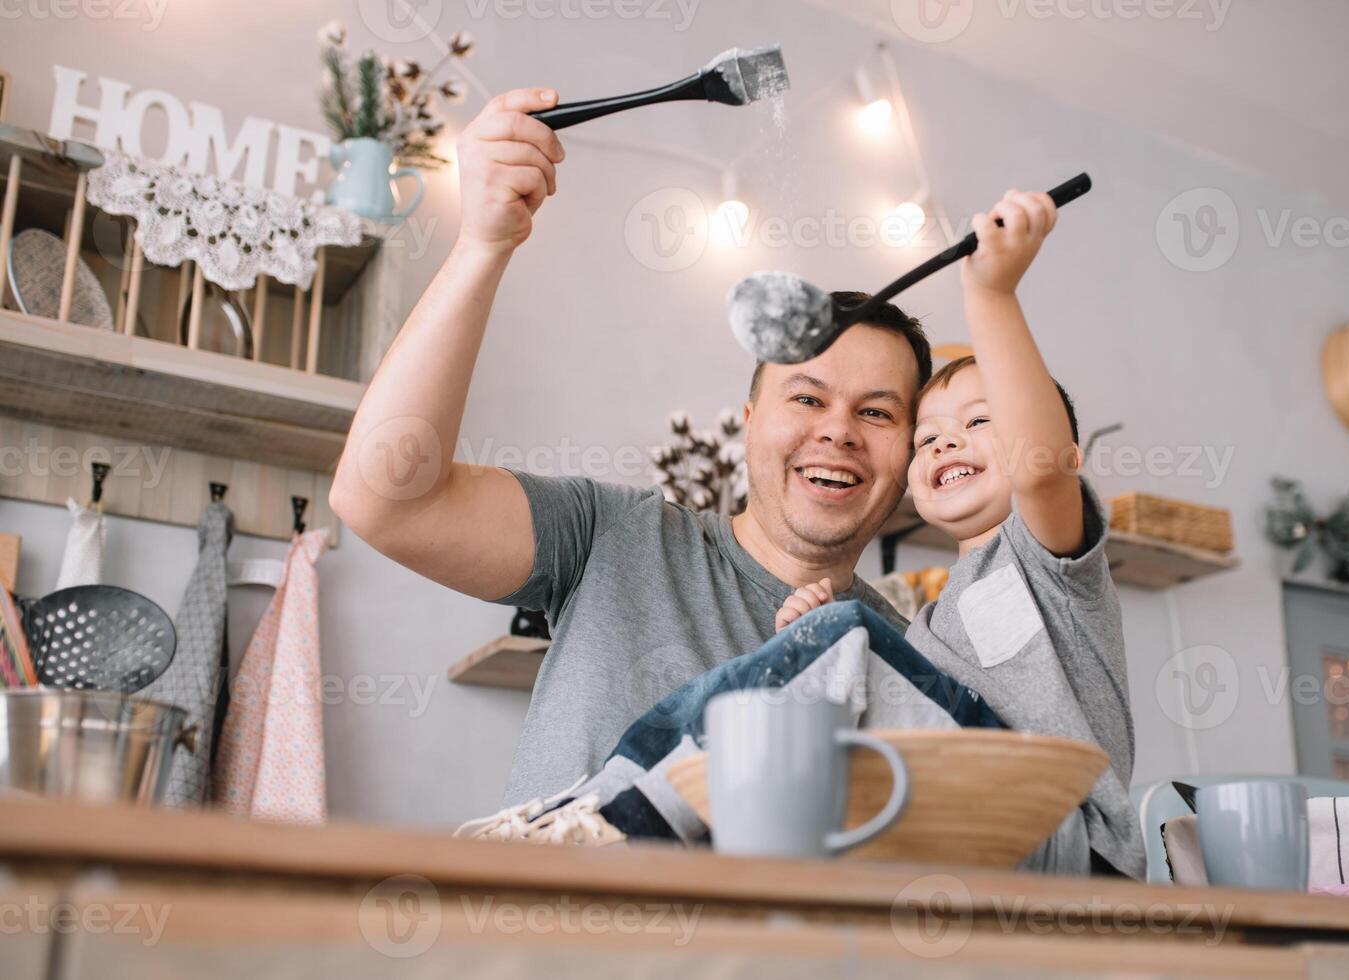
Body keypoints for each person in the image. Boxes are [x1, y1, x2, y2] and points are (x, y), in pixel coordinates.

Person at [328, 88, 932, 806]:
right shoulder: (614, 538)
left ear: (912, 450)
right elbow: (384, 498)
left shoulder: (910, 659)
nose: (837, 430)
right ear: (749, 419)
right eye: (806, 397)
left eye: (876, 411)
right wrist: (482, 244)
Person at [777, 189, 1146, 878]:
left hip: (1068, 837)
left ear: (1067, 454)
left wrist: (993, 295)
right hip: (965, 845)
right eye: (928, 438)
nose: (948, 445)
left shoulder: (1048, 561)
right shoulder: (929, 624)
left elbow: (1038, 472)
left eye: (980, 423)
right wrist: (827, 641)